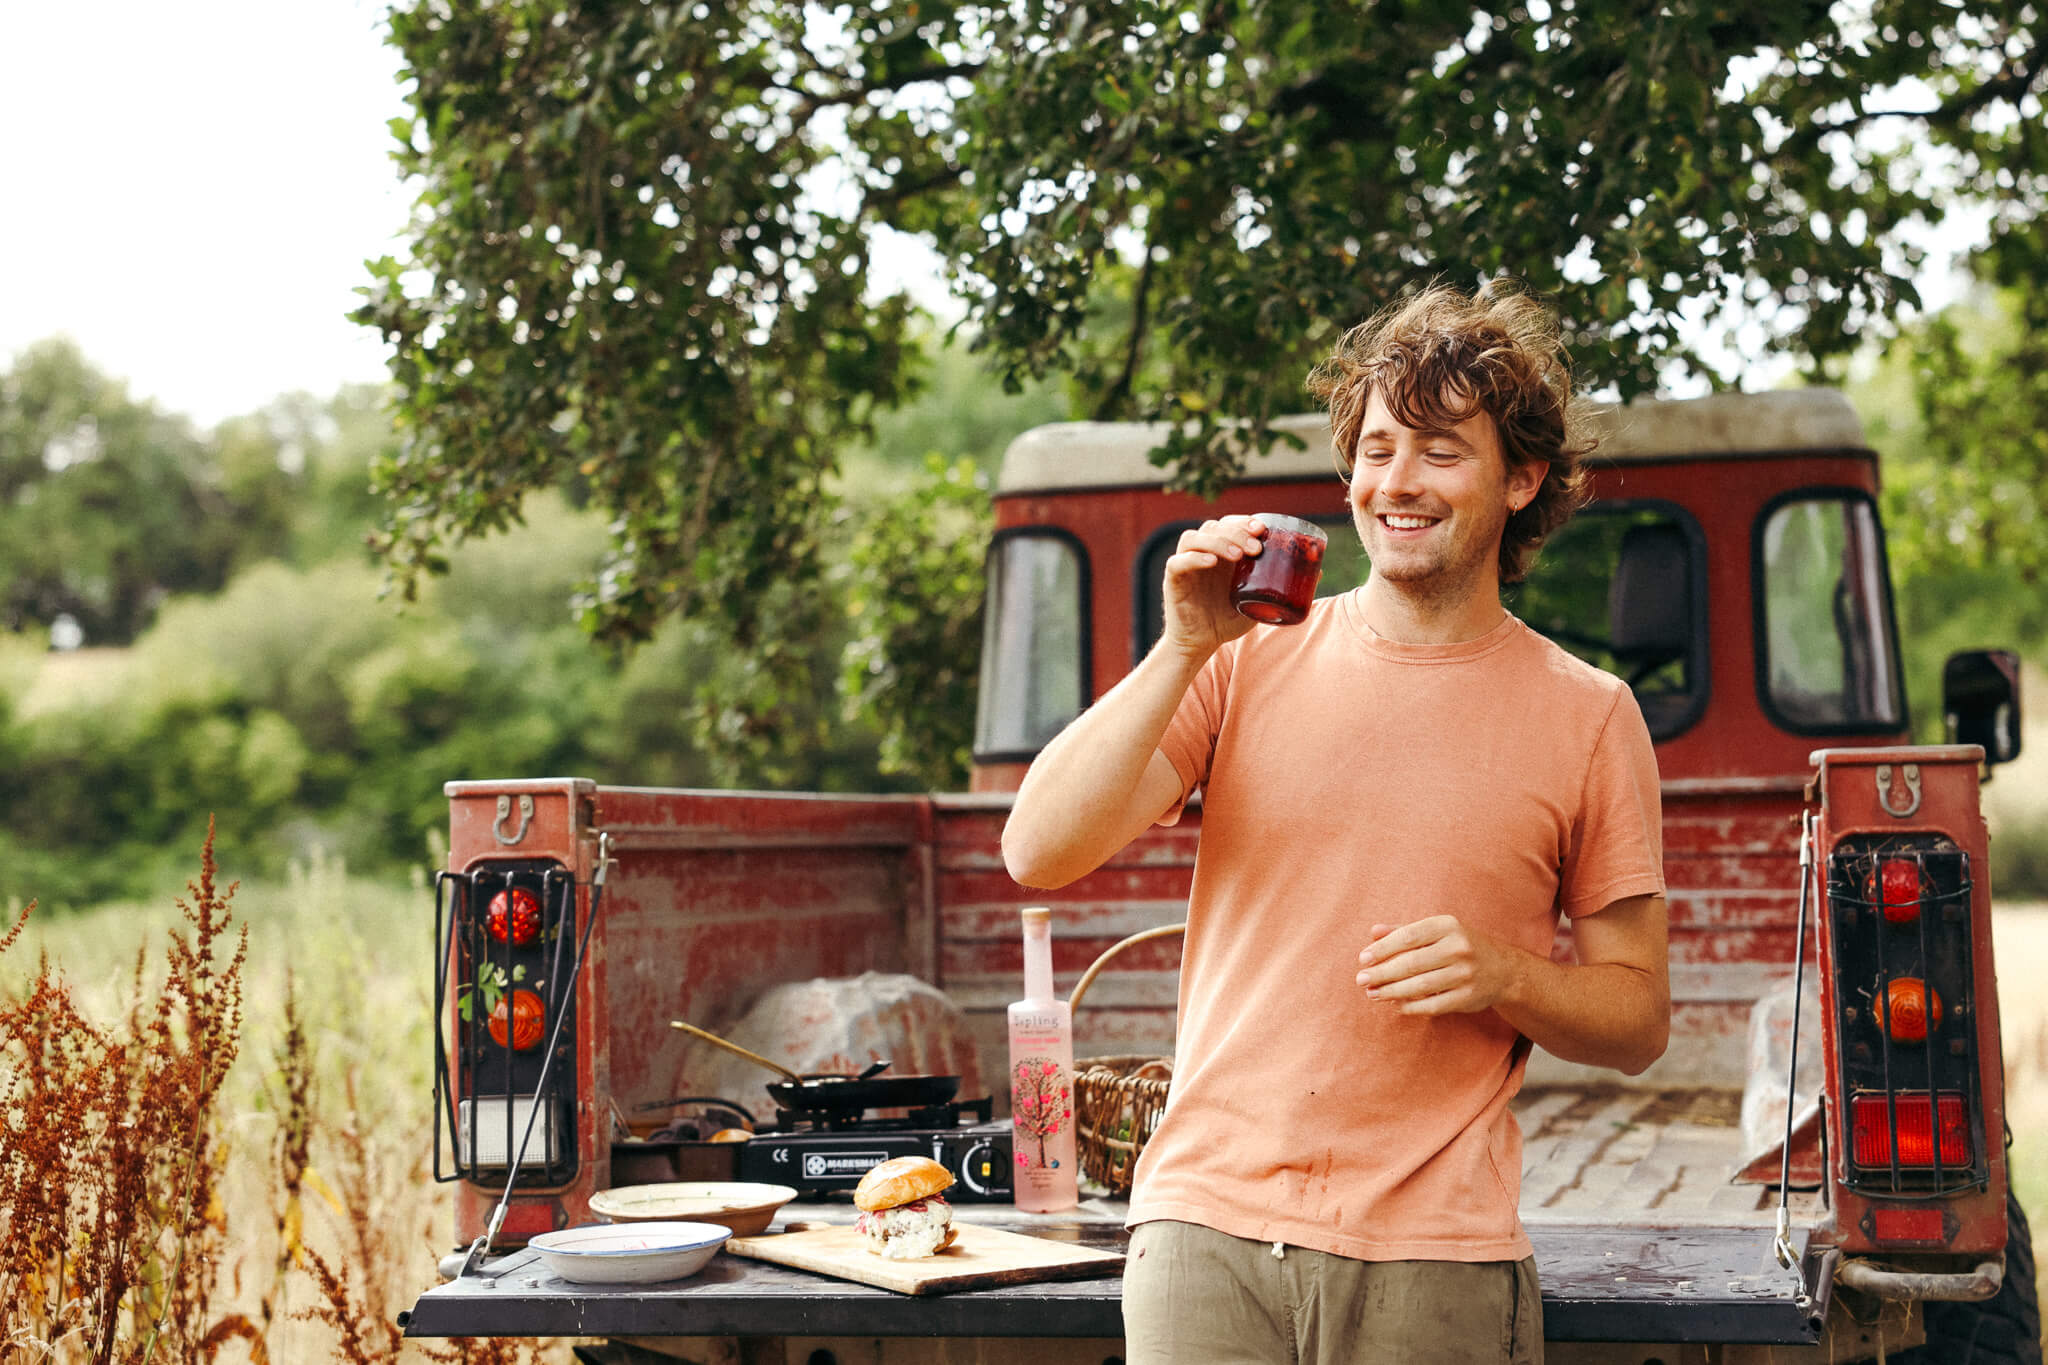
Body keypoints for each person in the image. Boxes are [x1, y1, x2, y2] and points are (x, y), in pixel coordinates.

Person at [1001, 279, 1670, 1365]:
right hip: (1204, 1234)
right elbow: (1037, 848)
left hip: (1435, 1255)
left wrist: (1505, 975)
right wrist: (1179, 647)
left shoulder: (1588, 715)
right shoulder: (1239, 661)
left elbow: (1637, 1020)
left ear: (1521, 479)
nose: (1395, 484)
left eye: (1440, 451)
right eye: (1374, 448)